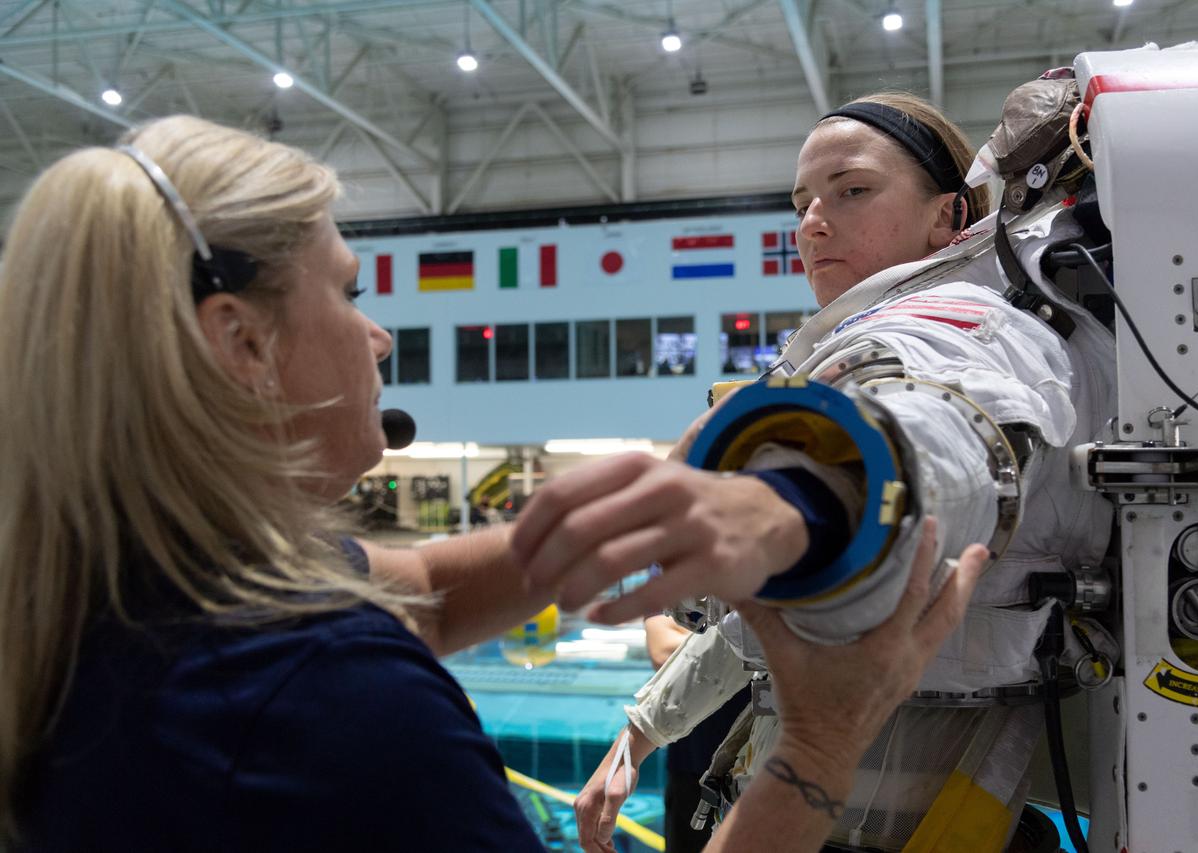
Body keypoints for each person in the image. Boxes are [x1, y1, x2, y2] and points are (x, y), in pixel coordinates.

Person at [0, 114, 984, 853]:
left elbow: (415, 593)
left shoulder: (126, 588)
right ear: (242, 343)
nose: (375, 333)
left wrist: (665, 490)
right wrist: (814, 750)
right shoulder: (338, 705)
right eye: (349, 293)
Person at [514, 90, 1114, 852]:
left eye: (853, 190)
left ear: (950, 217)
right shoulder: (873, 338)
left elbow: (946, 434)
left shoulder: (970, 329)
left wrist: (809, 504)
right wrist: (640, 731)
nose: (813, 223)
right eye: (801, 202)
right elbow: (758, 625)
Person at [643, 614, 751, 852]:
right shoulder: (671, 580)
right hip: (694, 768)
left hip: (769, 766)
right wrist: (743, 640)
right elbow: (662, 651)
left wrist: (702, 637)